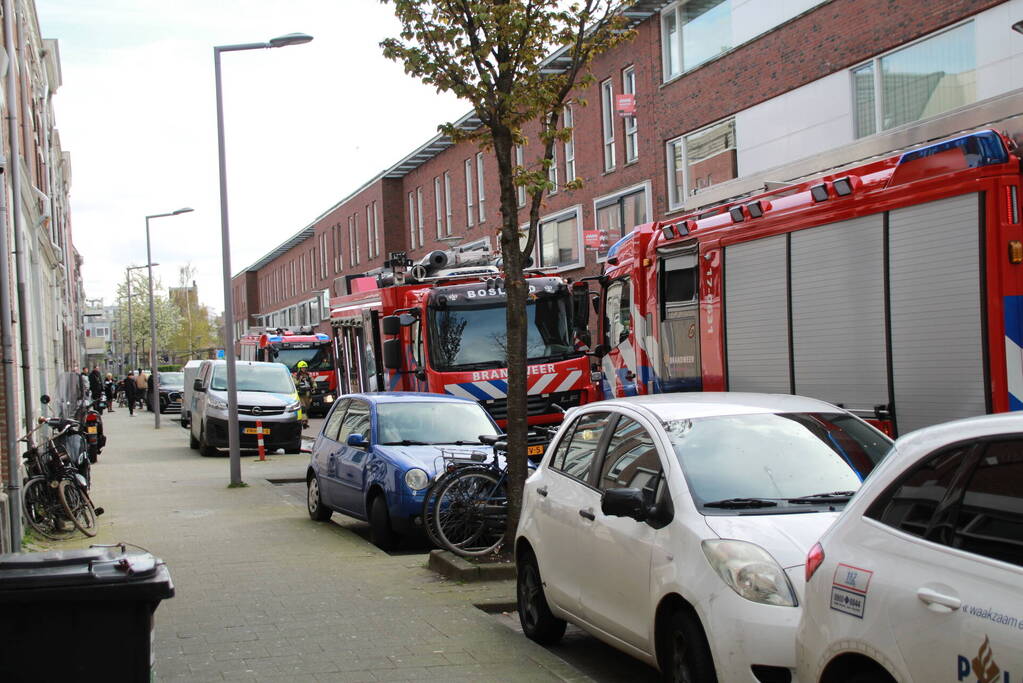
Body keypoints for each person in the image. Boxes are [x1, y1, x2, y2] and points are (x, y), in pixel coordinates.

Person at [293, 361, 313, 429]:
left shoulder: (308, 375)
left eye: (305, 368)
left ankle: (305, 421)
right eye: (302, 368)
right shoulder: (296, 376)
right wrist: (300, 379)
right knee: (303, 408)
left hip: (307, 394)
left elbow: (313, 382)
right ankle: (304, 422)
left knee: (307, 408)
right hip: (300, 394)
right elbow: (295, 383)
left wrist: (314, 387)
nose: (304, 369)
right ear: (299, 368)